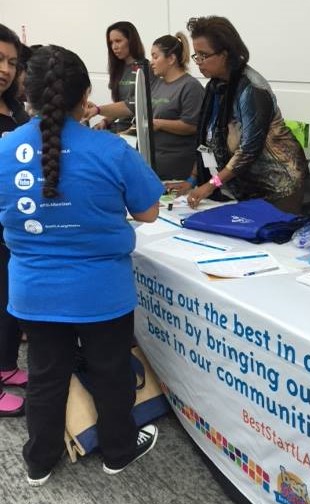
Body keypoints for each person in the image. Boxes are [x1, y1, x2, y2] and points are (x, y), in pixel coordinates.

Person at [0, 44, 164, 485]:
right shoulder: (110, 149)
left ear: (26, 91)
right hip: (101, 291)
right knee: (111, 371)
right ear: (85, 94)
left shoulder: (4, 148)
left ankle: (39, 461)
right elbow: (149, 212)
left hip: (34, 291)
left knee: (45, 375)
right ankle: (118, 450)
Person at [182, 16, 307, 214]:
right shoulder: (215, 87)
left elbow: (248, 150)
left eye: (204, 55)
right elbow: (207, 141)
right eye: (196, 56)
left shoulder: (252, 89)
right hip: (245, 186)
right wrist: (192, 179)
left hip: (278, 185)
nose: (199, 62)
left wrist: (211, 184)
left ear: (225, 54)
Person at [0, 23, 30, 417]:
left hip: (9, 224)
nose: (4, 68)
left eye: (10, 61)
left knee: (6, 299)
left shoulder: (14, 108)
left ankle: (5, 365)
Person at [149, 31, 204, 182]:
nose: (151, 62)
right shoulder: (157, 84)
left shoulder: (190, 86)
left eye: (155, 56)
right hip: (155, 165)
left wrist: (159, 124)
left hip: (178, 171)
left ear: (171, 59)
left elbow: (193, 126)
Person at [85, 21, 147, 132]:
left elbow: (132, 106)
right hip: (117, 129)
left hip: (135, 133)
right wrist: (105, 121)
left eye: (118, 41)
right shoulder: (118, 69)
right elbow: (119, 107)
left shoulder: (145, 69)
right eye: (111, 43)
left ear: (131, 41)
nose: (114, 47)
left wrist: (98, 110)